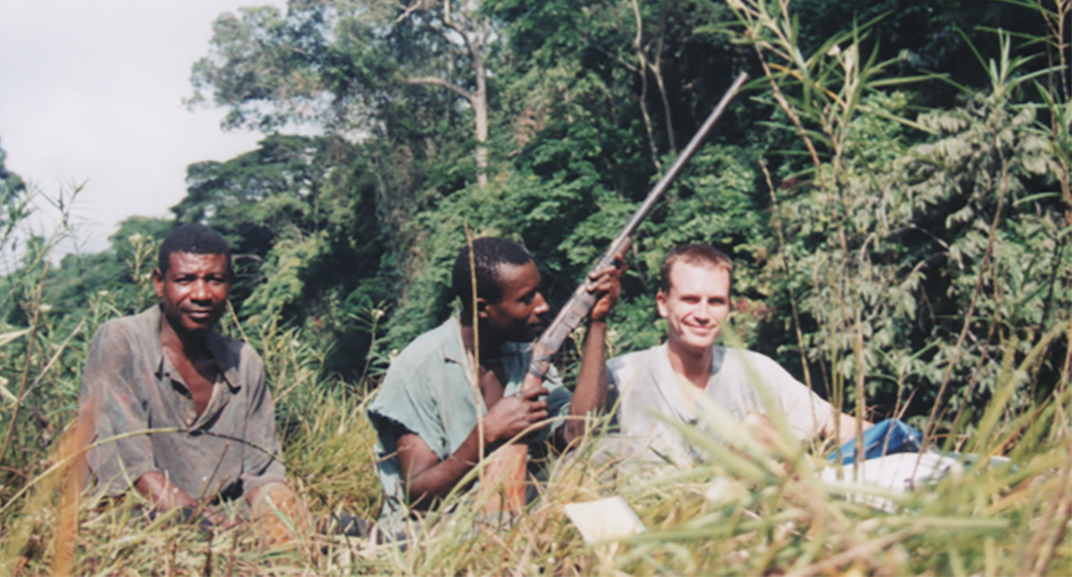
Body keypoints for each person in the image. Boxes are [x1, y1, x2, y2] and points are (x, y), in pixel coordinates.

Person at [367, 237, 623, 527]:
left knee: (609, 451)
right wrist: (486, 434)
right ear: (483, 307)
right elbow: (419, 495)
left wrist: (598, 321)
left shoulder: (525, 353)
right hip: (436, 526)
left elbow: (579, 431)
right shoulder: (418, 368)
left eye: (538, 291)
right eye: (526, 299)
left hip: (514, 505)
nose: (541, 305)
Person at [78, 224, 307, 536]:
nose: (201, 294)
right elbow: (129, 467)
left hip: (232, 529)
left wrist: (282, 519)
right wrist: (208, 524)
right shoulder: (122, 341)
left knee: (338, 530)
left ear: (230, 285)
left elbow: (262, 471)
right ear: (160, 283)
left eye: (215, 280)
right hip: (144, 525)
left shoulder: (244, 362)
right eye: (185, 280)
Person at [605, 243, 870, 466]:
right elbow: (574, 440)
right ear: (663, 304)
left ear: (729, 309)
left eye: (716, 302)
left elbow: (834, 424)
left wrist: (901, 448)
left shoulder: (756, 370)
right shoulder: (621, 374)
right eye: (690, 300)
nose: (702, 314)